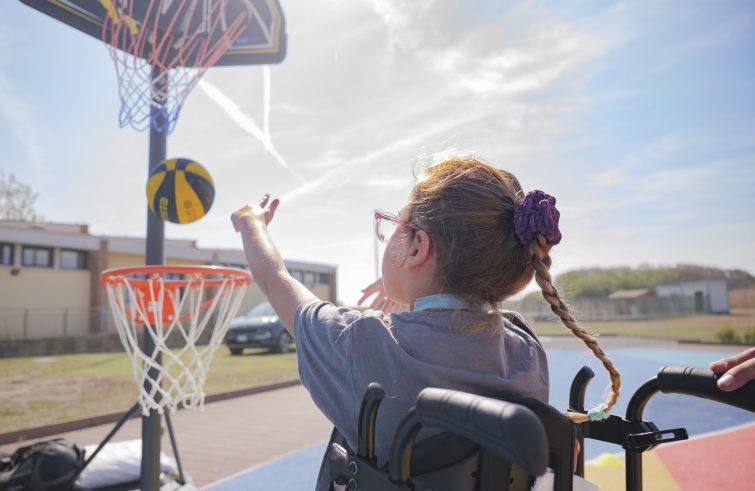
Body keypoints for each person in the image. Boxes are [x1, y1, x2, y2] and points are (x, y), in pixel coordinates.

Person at [231, 156, 620, 486]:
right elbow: (450, 341)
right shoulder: (524, 347)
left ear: (418, 247)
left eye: (395, 226)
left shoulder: (359, 342)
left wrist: (252, 223)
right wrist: (412, 293)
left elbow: (275, 279)